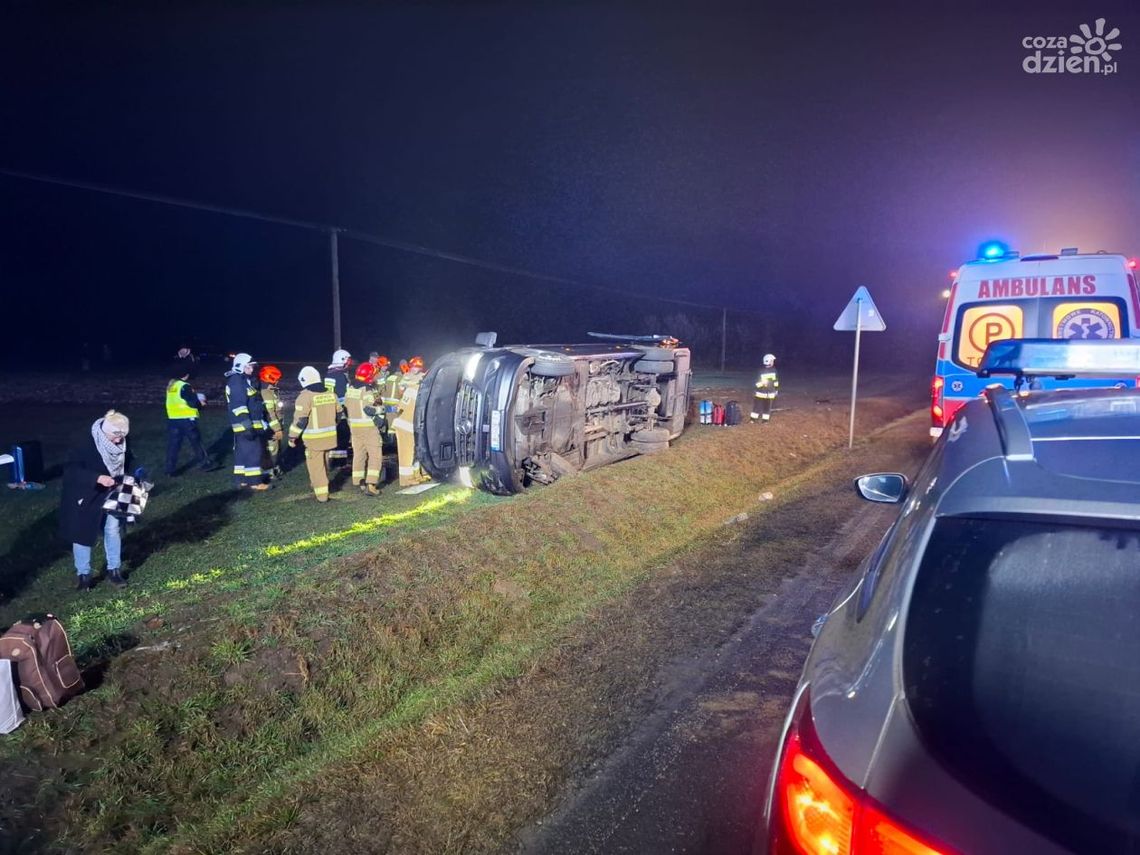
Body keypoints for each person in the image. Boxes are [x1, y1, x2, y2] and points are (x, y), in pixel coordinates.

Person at [59, 410, 133, 590]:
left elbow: (128, 461)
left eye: (122, 437)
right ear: (105, 432)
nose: (119, 441)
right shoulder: (83, 441)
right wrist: (96, 478)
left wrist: (129, 481)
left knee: (112, 529)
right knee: (82, 534)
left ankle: (114, 571)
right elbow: (70, 471)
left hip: (113, 491)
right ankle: (84, 575)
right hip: (87, 494)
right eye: (115, 437)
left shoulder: (122, 440)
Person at [288, 366, 339, 502]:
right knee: (324, 463)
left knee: (316, 467)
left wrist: (292, 436)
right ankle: (319, 484)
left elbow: (300, 420)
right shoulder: (331, 394)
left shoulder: (305, 397)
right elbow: (339, 414)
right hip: (330, 437)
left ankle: (322, 495)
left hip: (314, 440)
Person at [165, 354, 218, 475]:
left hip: (173, 420)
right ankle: (205, 463)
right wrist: (201, 404)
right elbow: (192, 402)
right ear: (186, 375)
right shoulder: (185, 386)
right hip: (187, 420)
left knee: (173, 446)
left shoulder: (171, 386)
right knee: (196, 443)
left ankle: (169, 470)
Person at [224, 353, 270, 490]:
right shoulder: (237, 381)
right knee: (253, 451)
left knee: (242, 452)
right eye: (249, 366)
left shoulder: (241, 380)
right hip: (245, 424)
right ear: (240, 366)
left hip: (243, 424)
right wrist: (247, 425)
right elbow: (239, 405)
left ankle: (242, 480)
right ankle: (255, 482)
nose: (252, 369)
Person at [345, 362, 384, 495]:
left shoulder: (350, 388)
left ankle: (358, 481)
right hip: (368, 427)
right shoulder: (367, 389)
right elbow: (369, 408)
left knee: (359, 455)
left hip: (354, 428)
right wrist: (382, 409)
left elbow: (347, 405)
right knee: (375, 456)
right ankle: (371, 485)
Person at [393, 355, 430, 487]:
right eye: (414, 366)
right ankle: (406, 479)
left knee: (414, 451)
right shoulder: (409, 382)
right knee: (406, 454)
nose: (416, 369)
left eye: (418, 367)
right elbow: (401, 403)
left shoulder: (420, 382)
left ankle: (416, 475)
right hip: (406, 425)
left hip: (412, 425)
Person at [258, 364, 286, 478]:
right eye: (276, 379)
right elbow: (270, 414)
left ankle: (275, 468)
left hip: (275, 426)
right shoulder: (266, 394)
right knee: (271, 450)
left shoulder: (271, 391)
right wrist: (277, 429)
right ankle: (268, 472)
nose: (278, 381)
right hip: (271, 428)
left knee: (276, 449)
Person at [751, 353, 779, 423]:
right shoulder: (761, 371)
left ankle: (763, 420)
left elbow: (776, 381)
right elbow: (756, 384)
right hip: (762, 393)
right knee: (759, 407)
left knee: (765, 407)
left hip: (768, 393)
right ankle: (754, 419)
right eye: (772, 361)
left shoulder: (773, 370)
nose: (773, 362)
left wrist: (776, 389)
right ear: (768, 361)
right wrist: (763, 384)